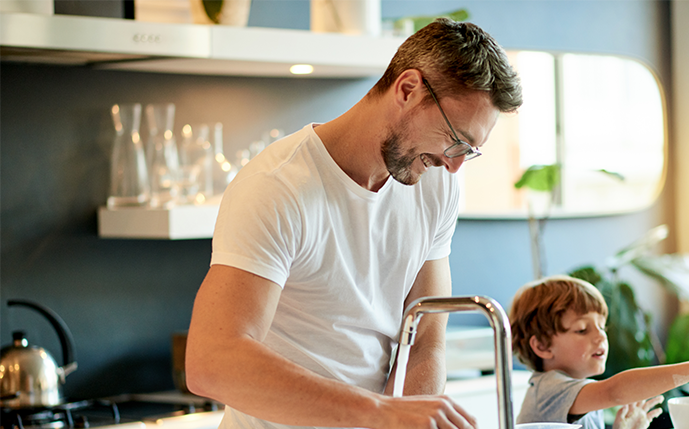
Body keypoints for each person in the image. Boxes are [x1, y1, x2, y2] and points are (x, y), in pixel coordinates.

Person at [184, 18, 523, 429]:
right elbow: (212, 361)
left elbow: (425, 340)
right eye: (455, 140)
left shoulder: (435, 185)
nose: (453, 166)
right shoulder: (278, 187)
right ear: (407, 89)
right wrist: (381, 414)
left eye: (469, 151)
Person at [510, 275, 689, 429]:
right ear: (542, 346)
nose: (600, 336)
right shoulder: (548, 389)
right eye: (582, 330)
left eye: (601, 326)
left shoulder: (581, 396)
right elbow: (614, 391)